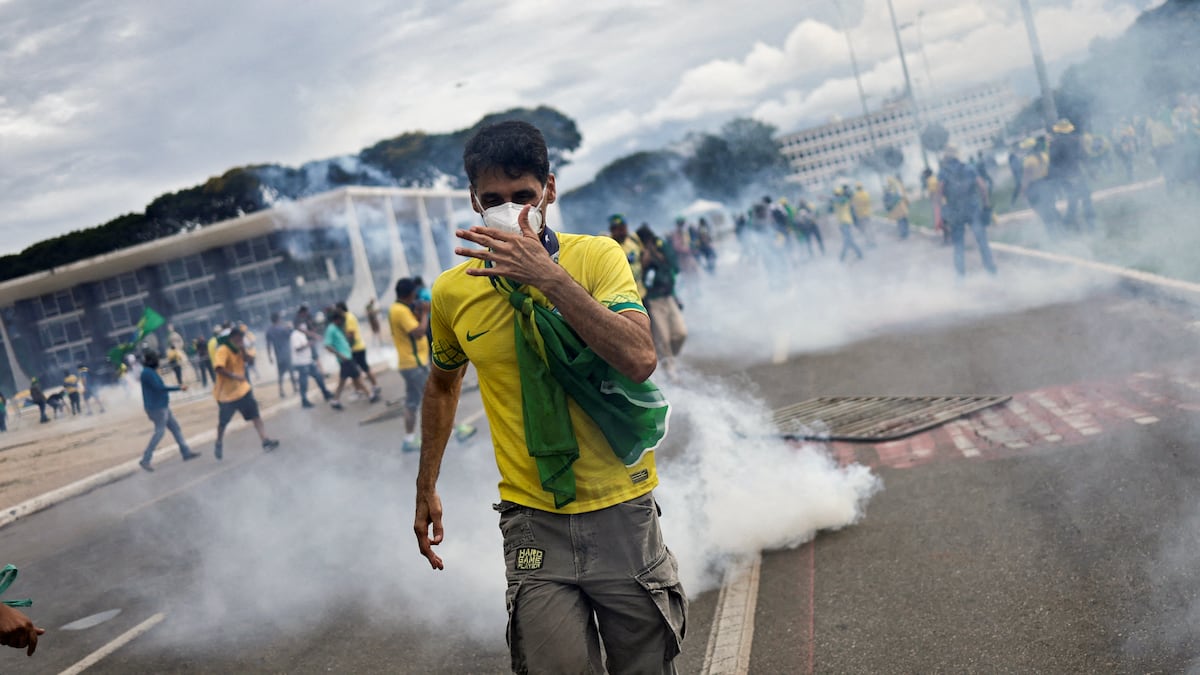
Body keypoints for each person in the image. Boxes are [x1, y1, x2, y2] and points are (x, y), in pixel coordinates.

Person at [415, 120, 685, 674]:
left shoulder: (597, 258)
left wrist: (550, 279)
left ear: (549, 191)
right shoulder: (452, 292)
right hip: (532, 518)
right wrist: (426, 485)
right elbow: (442, 383)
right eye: (493, 200)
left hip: (621, 509)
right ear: (473, 200)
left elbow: (639, 357)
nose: (509, 210)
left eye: (523, 195)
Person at [212, 327, 280, 460]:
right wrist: (234, 376)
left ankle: (265, 441)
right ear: (232, 338)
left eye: (241, 339)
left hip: (243, 390)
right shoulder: (223, 350)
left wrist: (243, 350)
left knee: (255, 416)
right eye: (238, 339)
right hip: (227, 395)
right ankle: (219, 442)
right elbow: (219, 368)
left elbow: (251, 361)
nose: (240, 341)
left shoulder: (240, 349)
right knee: (223, 422)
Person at [936, 145, 997, 277]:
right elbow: (982, 187)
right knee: (982, 241)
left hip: (955, 212)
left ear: (946, 158)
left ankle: (960, 277)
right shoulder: (969, 168)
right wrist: (986, 206)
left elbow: (939, 194)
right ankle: (991, 271)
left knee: (959, 245)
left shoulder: (943, 173)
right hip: (973, 209)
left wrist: (942, 214)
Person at [637, 225, 688, 380]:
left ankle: (670, 359)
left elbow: (674, 268)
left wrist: (659, 254)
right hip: (653, 300)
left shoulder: (661, 248)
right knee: (663, 338)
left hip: (669, 296)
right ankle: (670, 371)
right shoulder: (639, 253)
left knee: (681, 334)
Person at [138, 350, 200, 471]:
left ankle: (186, 452)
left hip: (161, 406)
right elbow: (159, 388)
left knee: (175, 428)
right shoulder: (147, 373)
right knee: (159, 432)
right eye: (156, 359)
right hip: (157, 408)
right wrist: (179, 388)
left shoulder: (150, 372)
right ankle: (146, 459)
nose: (158, 361)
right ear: (151, 360)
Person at [390, 278, 431, 452]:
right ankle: (453, 431)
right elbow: (419, 332)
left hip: (409, 364)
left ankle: (408, 440)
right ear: (409, 294)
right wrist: (425, 313)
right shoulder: (400, 311)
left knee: (412, 403)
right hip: (414, 364)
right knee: (435, 398)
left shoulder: (398, 308)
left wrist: (418, 312)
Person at [323, 309, 377, 410]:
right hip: (345, 359)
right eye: (341, 319)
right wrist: (340, 355)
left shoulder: (337, 328)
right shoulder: (331, 329)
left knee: (344, 380)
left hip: (347, 357)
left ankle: (335, 400)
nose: (342, 321)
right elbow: (327, 345)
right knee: (357, 377)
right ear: (337, 319)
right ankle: (370, 395)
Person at [1048, 118, 1096, 231]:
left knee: (1073, 201)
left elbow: (1052, 164)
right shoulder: (1076, 140)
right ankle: (1090, 224)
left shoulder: (1054, 144)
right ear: (1069, 129)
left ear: (1058, 130)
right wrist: (1092, 172)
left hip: (1065, 177)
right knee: (1086, 198)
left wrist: (1054, 182)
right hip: (1077, 175)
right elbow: (1084, 157)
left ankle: (1069, 224)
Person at [337, 301, 381, 398]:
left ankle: (369, 387)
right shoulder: (349, 316)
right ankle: (364, 388)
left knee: (359, 370)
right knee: (359, 370)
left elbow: (351, 334)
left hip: (356, 348)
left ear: (340, 309)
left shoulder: (348, 318)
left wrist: (345, 343)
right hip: (357, 347)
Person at [1021, 136, 1061, 238]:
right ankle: (1061, 229)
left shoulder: (1029, 161)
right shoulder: (1044, 156)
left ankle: (1053, 234)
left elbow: (1026, 178)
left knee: (1043, 212)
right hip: (1047, 184)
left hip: (1035, 187)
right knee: (1051, 208)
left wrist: (1023, 192)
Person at [290, 322, 331, 408]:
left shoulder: (302, 334)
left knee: (318, 376)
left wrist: (314, 338)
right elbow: (297, 348)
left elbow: (310, 334)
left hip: (308, 361)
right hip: (301, 363)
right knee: (303, 382)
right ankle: (304, 400)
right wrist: (308, 344)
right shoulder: (295, 335)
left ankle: (325, 393)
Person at [608, 214, 646, 299]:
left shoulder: (633, 239)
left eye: (624, 228)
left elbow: (643, 254)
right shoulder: (609, 246)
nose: (623, 232)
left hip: (641, 291)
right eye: (619, 229)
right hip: (624, 296)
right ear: (612, 230)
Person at [265, 312, 297, 398]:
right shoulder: (283, 328)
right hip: (287, 354)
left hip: (278, 356)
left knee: (280, 374)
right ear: (278, 319)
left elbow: (268, 345)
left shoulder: (269, 331)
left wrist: (269, 357)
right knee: (291, 372)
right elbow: (291, 334)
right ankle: (295, 388)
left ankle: (281, 391)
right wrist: (289, 326)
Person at [831, 186, 863, 262]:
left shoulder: (844, 199)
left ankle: (842, 257)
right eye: (835, 194)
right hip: (842, 224)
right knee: (848, 240)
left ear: (841, 194)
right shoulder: (836, 201)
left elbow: (838, 200)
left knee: (847, 240)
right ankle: (859, 254)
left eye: (837, 194)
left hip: (846, 222)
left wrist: (827, 197)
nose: (836, 195)